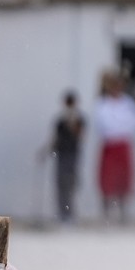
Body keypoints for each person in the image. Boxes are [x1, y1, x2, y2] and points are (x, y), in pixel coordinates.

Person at [95, 71, 135, 224]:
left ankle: (123, 213)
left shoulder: (127, 103)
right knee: (107, 180)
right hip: (110, 145)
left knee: (123, 180)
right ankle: (107, 213)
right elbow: (103, 123)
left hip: (123, 144)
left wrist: (122, 128)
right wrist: (118, 127)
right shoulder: (103, 104)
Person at [49, 91, 85, 223]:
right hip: (62, 154)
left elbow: (80, 135)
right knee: (61, 184)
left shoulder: (78, 119)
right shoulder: (60, 120)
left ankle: (70, 212)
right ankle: (62, 213)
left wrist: (71, 122)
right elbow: (56, 138)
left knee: (71, 184)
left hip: (72, 155)